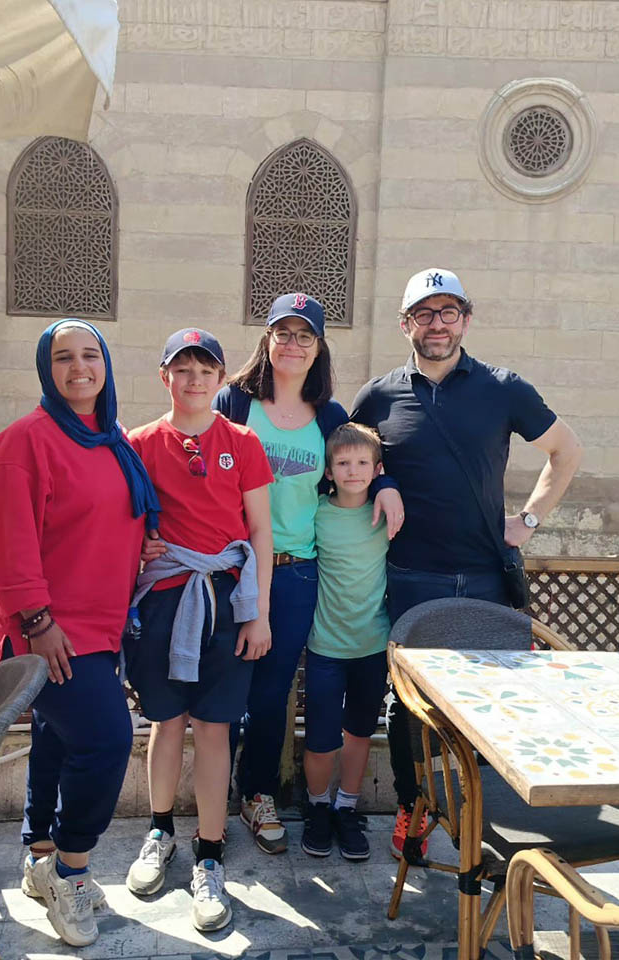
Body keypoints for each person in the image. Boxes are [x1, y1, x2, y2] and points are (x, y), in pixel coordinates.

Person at [351, 267, 583, 860]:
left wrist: (528, 521)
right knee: (408, 706)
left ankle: (481, 810)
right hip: (411, 576)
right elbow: (350, 462)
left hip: (483, 578)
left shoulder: (503, 389)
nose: (437, 324)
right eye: (424, 314)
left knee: (493, 702)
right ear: (405, 324)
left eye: (448, 311)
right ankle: (413, 807)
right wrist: (384, 483)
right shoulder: (378, 397)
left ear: (466, 319)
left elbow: (566, 450)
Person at [0, 319, 159, 947]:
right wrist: (38, 622)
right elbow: (6, 544)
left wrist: (141, 544)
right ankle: (71, 870)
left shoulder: (111, 439)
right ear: (44, 369)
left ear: (105, 365)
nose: (78, 367)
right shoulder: (24, 441)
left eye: (90, 355)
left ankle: (40, 856)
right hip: (48, 629)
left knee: (58, 739)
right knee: (107, 740)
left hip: (102, 623)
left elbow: (102, 518)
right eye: (63, 357)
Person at [211, 293, 403, 855]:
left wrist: (388, 485)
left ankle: (257, 794)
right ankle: (208, 804)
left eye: (305, 336)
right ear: (267, 340)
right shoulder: (234, 401)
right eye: (283, 333)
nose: (293, 344)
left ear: (318, 348)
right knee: (223, 687)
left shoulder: (329, 416)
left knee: (272, 693)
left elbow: (361, 461)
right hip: (230, 568)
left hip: (296, 572)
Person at [123, 327, 275, 932]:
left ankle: (209, 854)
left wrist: (258, 612)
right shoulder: (138, 443)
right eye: (182, 369)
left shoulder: (242, 441)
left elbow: (260, 530)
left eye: (205, 370)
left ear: (219, 379)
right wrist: (140, 544)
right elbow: (121, 522)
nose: (194, 380)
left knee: (216, 727)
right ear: (165, 377)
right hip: (165, 598)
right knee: (167, 721)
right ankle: (159, 830)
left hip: (226, 598)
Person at [300, 423, 391, 861]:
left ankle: (346, 808)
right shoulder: (316, 513)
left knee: (358, 732)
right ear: (329, 471)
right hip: (325, 648)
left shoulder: (387, 513)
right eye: (343, 463)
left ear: (377, 470)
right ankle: (318, 806)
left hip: (372, 646)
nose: (353, 470)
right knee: (320, 737)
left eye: (362, 462)